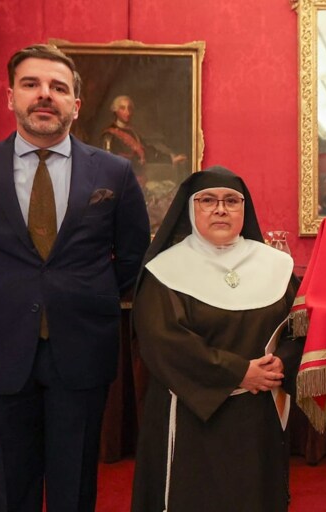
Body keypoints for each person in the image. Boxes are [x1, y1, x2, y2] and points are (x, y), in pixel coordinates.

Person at [0, 44, 150, 512]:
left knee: (76, 481)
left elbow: (132, 256)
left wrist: (86, 295)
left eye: (58, 87)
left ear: (76, 105)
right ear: (11, 97)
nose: (44, 95)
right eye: (31, 85)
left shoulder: (115, 171)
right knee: (10, 480)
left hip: (83, 345)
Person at [130, 166, 302, 511]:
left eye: (231, 201)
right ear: (191, 209)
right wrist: (239, 372)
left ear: (244, 209)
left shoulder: (277, 266)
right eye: (208, 200)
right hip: (193, 415)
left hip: (257, 415)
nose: (220, 209)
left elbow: (298, 329)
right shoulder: (165, 270)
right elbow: (163, 342)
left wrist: (282, 361)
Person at [100, 94, 187, 182]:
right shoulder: (109, 135)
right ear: (115, 111)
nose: (127, 112)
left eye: (129, 108)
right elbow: (109, 163)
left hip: (139, 180)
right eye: (122, 108)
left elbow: (148, 152)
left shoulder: (133, 133)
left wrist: (171, 159)